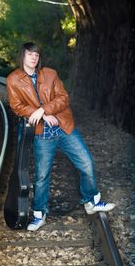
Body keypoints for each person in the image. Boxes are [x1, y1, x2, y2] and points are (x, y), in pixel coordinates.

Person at [6, 42, 116, 231]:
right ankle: (39, 214)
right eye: (30, 54)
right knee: (42, 176)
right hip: (42, 134)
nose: (34, 58)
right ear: (22, 56)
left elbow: (63, 98)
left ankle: (91, 201)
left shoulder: (50, 74)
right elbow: (17, 107)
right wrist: (42, 115)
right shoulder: (13, 79)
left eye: (37, 55)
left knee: (87, 163)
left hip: (64, 128)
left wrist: (43, 110)